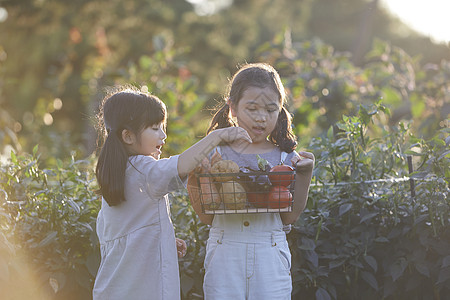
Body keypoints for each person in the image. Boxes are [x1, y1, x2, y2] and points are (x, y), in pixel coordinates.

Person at [92, 86, 252, 300]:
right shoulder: (143, 169)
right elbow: (181, 164)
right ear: (128, 136)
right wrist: (217, 136)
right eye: (155, 128)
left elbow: (127, 232)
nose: (163, 135)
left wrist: (162, 239)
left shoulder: (119, 173)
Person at [189, 63, 315, 299]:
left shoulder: (286, 157)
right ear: (233, 108)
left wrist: (305, 174)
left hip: (270, 250)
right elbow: (206, 216)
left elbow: (290, 216)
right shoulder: (215, 156)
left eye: (270, 110)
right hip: (225, 249)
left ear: (280, 111)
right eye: (252, 108)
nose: (261, 118)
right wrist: (197, 178)